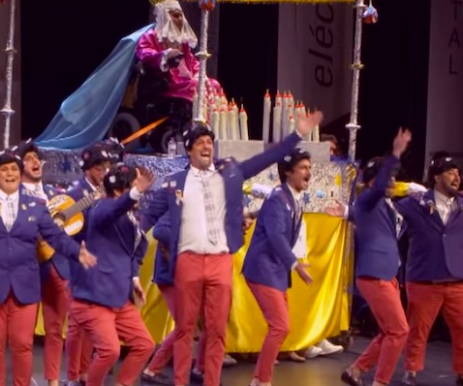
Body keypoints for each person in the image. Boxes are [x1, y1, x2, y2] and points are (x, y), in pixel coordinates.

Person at [140, 111, 322, 386]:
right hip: (187, 259)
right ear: (189, 150)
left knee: (216, 330)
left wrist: (297, 134)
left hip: (219, 261)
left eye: (209, 142)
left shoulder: (231, 171)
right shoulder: (174, 182)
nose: (206, 146)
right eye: (200, 142)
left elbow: (267, 159)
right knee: (185, 329)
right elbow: (147, 218)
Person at [0, 150, 98, 386]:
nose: (10, 173)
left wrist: (76, 252)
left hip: (25, 284)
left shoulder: (36, 206)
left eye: (13, 169)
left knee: (23, 344)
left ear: (20, 174)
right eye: (4, 169)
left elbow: (55, 236)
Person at [69, 164, 156, 386]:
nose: (141, 193)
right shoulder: (102, 208)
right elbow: (112, 210)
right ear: (120, 190)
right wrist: (134, 193)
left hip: (119, 296)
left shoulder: (131, 217)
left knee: (145, 344)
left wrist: (134, 278)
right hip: (95, 297)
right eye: (135, 185)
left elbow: (131, 253)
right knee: (110, 350)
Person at [339, 129, 412, 386]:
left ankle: (356, 371)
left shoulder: (384, 206)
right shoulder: (368, 200)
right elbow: (380, 186)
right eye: (388, 178)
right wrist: (395, 153)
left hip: (386, 274)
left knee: (390, 331)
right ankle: (380, 382)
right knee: (400, 330)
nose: (392, 183)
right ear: (373, 181)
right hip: (375, 274)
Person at [242, 148, 317, 386]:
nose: (309, 172)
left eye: (309, 167)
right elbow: (276, 237)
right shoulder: (278, 198)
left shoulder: (289, 198)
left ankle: (261, 379)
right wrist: (294, 264)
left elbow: (270, 218)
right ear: (288, 172)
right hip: (263, 270)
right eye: (303, 168)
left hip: (274, 271)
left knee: (281, 326)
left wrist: (251, 213)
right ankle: (261, 380)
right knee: (281, 325)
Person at [394, 153, 463, 386]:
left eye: (458, 172)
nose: (456, 177)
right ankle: (411, 371)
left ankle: (462, 371)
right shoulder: (417, 203)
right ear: (436, 177)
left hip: (456, 279)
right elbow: (387, 210)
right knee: (418, 330)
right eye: (450, 172)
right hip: (424, 279)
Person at [15, 139, 68, 386]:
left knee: (55, 329)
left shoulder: (54, 194)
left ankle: (53, 380)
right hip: (28, 268)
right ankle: (23, 379)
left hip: (57, 266)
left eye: (36, 158)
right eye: (28, 159)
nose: (35, 162)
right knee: (22, 333)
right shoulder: (13, 196)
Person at [135, 0, 223, 121]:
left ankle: (217, 123)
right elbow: (144, 53)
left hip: (186, 80)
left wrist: (199, 74)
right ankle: (200, 122)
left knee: (213, 84)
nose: (181, 19)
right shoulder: (151, 36)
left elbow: (192, 62)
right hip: (167, 83)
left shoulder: (182, 42)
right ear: (165, 16)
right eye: (176, 15)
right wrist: (165, 55)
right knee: (195, 87)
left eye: (181, 15)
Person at [65, 142, 113, 385]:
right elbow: (64, 218)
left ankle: (85, 371)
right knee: (77, 325)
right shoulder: (76, 191)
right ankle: (73, 375)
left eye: (106, 168)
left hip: (100, 263)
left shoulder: (106, 189)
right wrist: (94, 198)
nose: (103, 173)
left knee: (93, 323)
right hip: (79, 262)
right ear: (87, 168)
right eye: (98, 168)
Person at [142, 211, 208, 385]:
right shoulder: (181, 205)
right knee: (185, 325)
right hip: (170, 276)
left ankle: (199, 368)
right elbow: (160, 231)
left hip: (185, 275)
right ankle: (153, 369)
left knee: (202, 321)